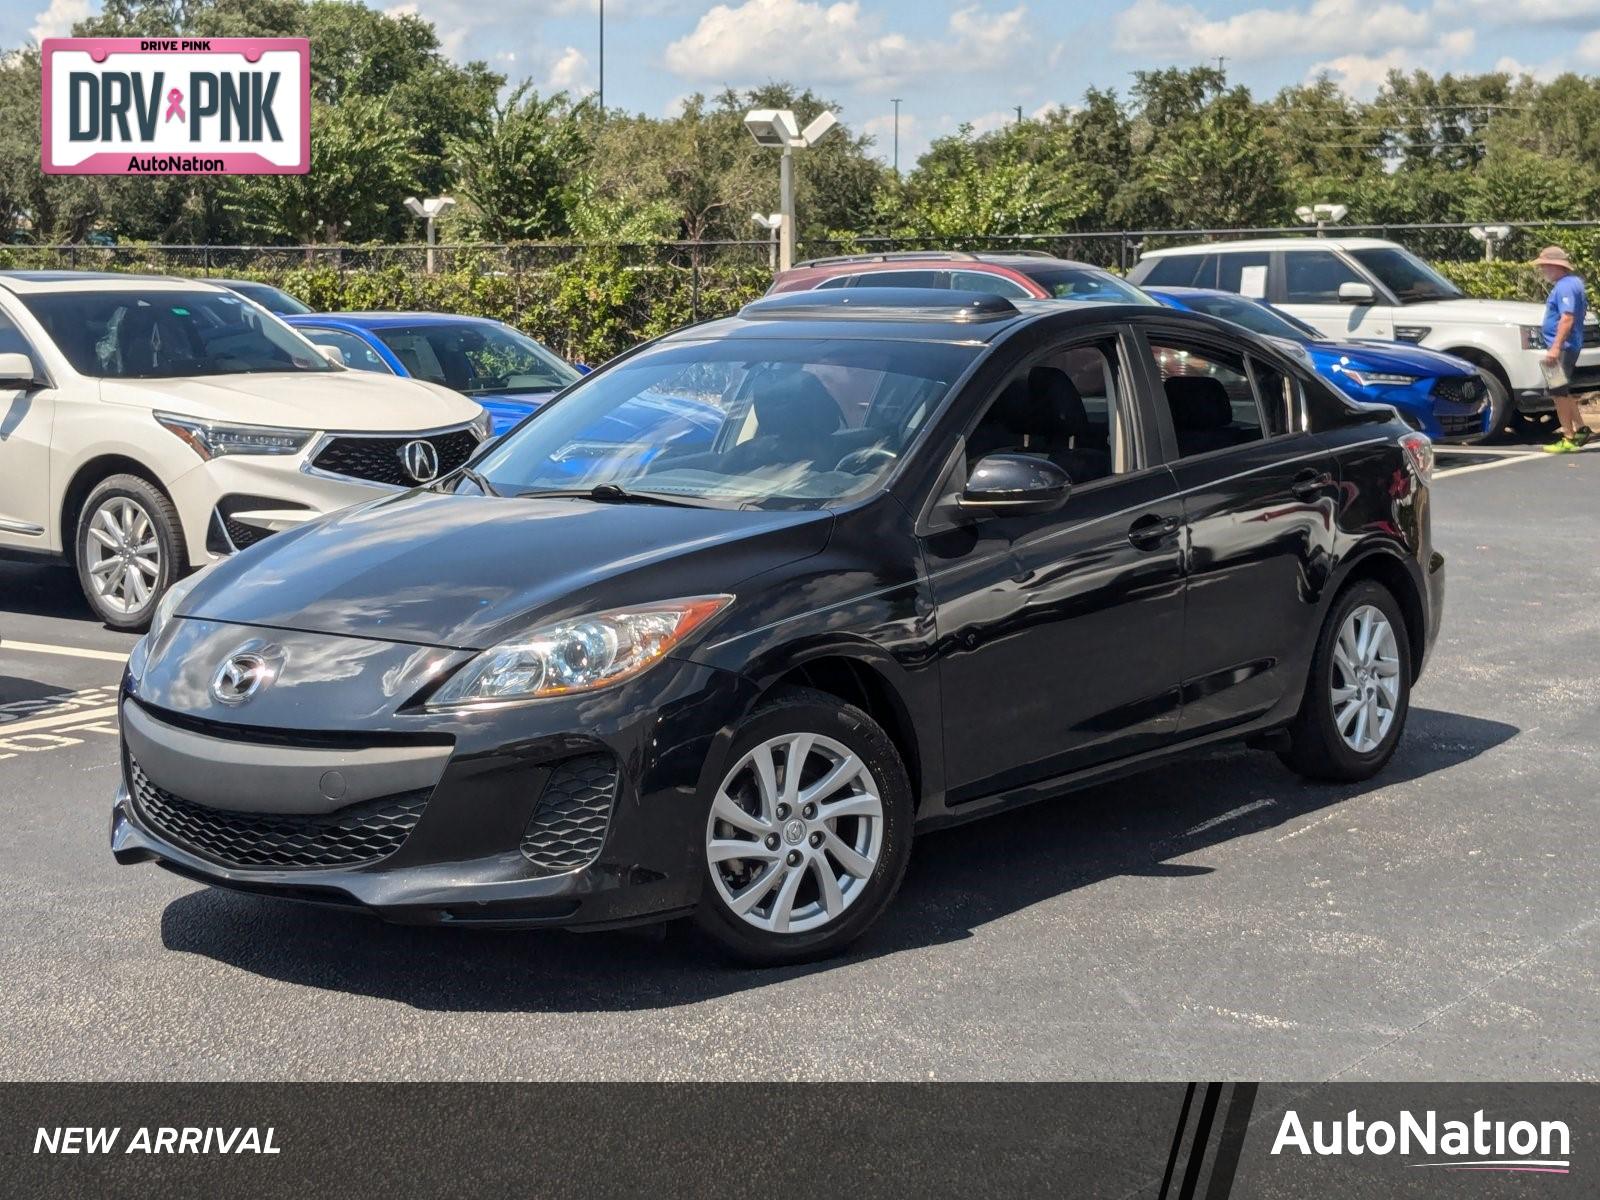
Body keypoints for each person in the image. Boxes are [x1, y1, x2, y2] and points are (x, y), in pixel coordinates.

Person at [1534, 245, 1592, 453]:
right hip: (1566, 346)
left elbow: (1567, 318)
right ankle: (1581, 428)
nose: (1543, 271)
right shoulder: (1573, 283)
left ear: (1555, 266)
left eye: (1545, 267)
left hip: (1563, 347)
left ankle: (1568, 436)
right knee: (1563, 391)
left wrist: (1555, 347)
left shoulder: (1565, 287)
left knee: (1557, 393)